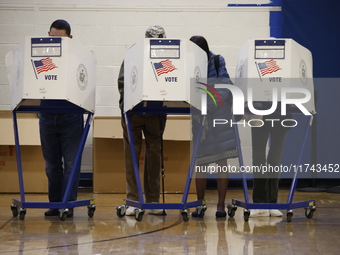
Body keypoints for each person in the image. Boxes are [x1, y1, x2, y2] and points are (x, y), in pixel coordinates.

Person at [118, 25, 167, 216]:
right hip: (134, 111)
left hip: (155, 112)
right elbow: (122, 82)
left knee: (154, 156)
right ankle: (134, 201)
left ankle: (152, 201)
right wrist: (126, 107)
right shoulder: (134, 53)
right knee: (132, 156)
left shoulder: (165, 57)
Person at [189, 35, 238, 217]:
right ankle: (200, 205)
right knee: (200, 164)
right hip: (201, 120)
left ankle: (220, 206)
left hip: (219, 118)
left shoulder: (217, 60)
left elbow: (225, 87)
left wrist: (207, 106)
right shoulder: (189, 64)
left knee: (222, 162)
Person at [40, 19, 84, 217]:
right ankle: (55, 204)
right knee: (52, 165)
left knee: (72, 165)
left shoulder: (78, 58)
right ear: (48, 34)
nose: (55, 41)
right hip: (47, 114)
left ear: (70, 38)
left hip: (71, 115)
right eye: (52, 37)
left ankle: (68, 204)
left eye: (60, 38)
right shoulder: (39, 56)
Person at [250, 115, 291, 217]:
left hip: (281, 113)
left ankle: (272, 202)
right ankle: (260, 202)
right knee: (258, 156)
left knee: (275, 158)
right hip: (259, 112)